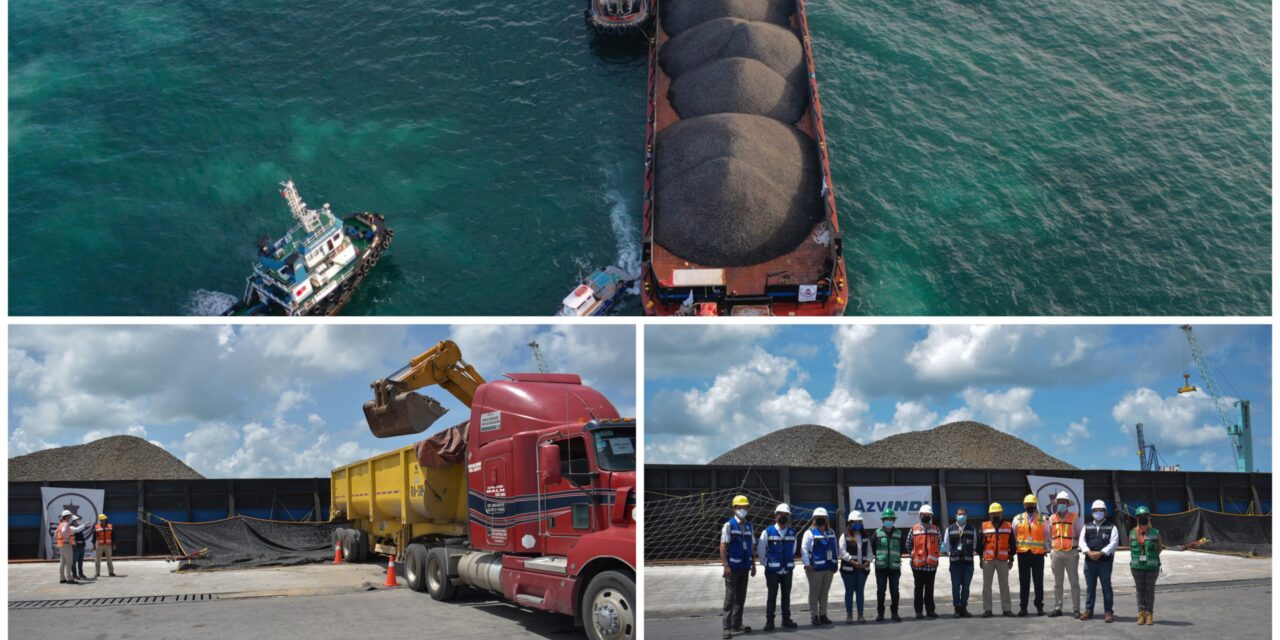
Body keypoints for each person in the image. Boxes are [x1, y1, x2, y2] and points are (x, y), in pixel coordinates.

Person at [757, 503, 798, 631]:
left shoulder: (792, 532)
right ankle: (770, 621)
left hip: (787, 570)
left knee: (786, 596)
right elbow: (761, 550)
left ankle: (786, 620)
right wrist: (766, 564)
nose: (783, 517)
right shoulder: (767, 532)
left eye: (786, 515)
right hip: (772, 571)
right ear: (776, 516)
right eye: (781, 514)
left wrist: (787, 562)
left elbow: (793, 549)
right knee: (772, 596)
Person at [720, 495, 756, 638]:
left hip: (745, 567)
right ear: (734, 508)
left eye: (745, 507)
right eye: (740, 507)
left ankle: (737, 623)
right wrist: (725, 565)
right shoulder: (729, 525)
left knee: (741, 597)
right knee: (730, 597)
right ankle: (726, 627)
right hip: (732, 568)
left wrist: (753, 564)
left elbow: (752, 545)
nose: (742, 510)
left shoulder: (749, 526)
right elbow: (723, 546)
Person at [1079, 499, 1119, 623]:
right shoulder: (1087, 526)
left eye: (1100, 510)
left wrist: (1101, 553)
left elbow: (1114, 543)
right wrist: (1088, 552)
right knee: (1090, 588)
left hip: (1105, 563)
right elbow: (1081, 541)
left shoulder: (1112, 527)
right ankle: (1089, 610)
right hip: (1089, 562)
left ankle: (1108, 612)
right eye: (1095, 511)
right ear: (1092, 512)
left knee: (1106, 588)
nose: (1098, 513)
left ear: (1105, 512)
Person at [1012, 493, 1049, 616]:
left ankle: (1039, 607)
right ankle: (1023, 607)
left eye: (1032, 504)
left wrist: (1046, 549)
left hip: (1038, 554)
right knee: (1024, 582)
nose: (1030, 506)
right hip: (1023, 554)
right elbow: (1014, 535)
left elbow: (1048, 535)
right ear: (1023, 505)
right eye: (1028, 504)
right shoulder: (1017, 518)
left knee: (1038, 582)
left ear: (1035, 505)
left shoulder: (1043, 519)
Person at [1048, 491, 1081, 618]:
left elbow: (1080, 533)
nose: (1061, 504)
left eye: (1064, 502)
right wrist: (1052, 548)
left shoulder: (1075, 517)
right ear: (1056, 504)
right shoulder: (1051, 518)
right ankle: (1058, 607)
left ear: (1068, 504)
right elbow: (1048, 535)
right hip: (1056, 553)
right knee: (1057, 583)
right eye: (1059, 501)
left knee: (1074, 582)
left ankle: (1076, 609)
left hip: (1071, 553)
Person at [801, 507, 837, 626]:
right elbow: (804, 550)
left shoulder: (831, 532)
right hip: (814, 569)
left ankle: (823, 614)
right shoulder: (809, 533)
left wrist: (835, 563)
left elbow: (834, 548)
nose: (821, 520)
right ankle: (814, 616)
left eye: (823, 518)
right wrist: (807, 564)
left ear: (827, 519)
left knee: (824, 592)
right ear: (814, 519)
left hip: (828, 568)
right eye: (818, 518)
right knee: (814, 592)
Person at [980, 502, 1015, 618]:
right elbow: (980, 545)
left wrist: (1011, 559)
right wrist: (981, 558)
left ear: (1001, 514)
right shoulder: (984, 526)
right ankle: (987, 609)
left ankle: (1006, 609)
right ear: (989, 515)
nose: (995, 515)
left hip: (1003, 560)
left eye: (997, 513)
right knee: (987, 586)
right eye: (993, 513)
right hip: (988, 560)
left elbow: (1012, 544)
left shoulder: (1008, 526)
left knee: (1004, 585)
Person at [943, 507, 979, 618]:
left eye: (963, 514)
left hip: (968, 563)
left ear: (967, 516)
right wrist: (952, 554)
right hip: (955, 564)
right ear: (955, 516)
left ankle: (964, 608)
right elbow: (946, 544)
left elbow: (974, 544)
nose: (961, 516)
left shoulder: (971, 529)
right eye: (959, 514)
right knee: (955, 586)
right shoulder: (949, 529)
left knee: (966, 586)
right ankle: (957, 608)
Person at [871, 508, 905, 622]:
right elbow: (872, 548)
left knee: (895, 591)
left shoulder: (899, 533)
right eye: (887, 519)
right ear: (883, 520)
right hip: (880, 567)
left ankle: (894, 613)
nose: (889, 521)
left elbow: (902, 549)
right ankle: (880, 614)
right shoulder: (876, 533)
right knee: (881, 591)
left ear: (894, 520)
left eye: (891, 519)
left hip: (894, 568)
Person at [837, 510, 872, 624]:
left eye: (859, 522)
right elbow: (842, 551)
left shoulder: (865, 535)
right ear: (850, 523)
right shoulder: (844, 536)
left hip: (862, 569)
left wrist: (867, 561)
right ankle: (849, 615)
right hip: (849, 569)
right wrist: (852, 561)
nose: (858, 524)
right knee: (849, 591)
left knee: (860, 591)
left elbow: (869, 551)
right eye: (855, 522)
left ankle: (860, 615)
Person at [907, 504, 940, 619]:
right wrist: (914, 555)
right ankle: (919, 611)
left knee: (930, 589)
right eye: (924, 514)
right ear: (920, 515)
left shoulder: (936, 529)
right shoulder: (914, 529)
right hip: (918, 566)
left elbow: (939, 544)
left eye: (928, 515)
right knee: (918, 589)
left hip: (931, 566)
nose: (926, 516)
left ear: (931, 516)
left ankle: (930, 611)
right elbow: (908, 544)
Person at [1129, 506, 1161, 626]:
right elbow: (1131, 548)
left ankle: (1149, 614)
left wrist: (1150, 557)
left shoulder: (1155, 532)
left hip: (1151, 568)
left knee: (1149, 591)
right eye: (1140, 517)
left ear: (1149, 517)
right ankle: (1141, 613)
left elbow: (1159, 549)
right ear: (1137, 518)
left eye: (1145, 516)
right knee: (1139, 591)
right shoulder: (1132, 532)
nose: (1143, 518)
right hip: (1137, 567)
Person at [55, 510, 77, 584]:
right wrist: (66, 536)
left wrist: (61, 538)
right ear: (66, 516)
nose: (70, 517)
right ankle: (69, 579)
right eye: (69, 516)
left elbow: (56, 534)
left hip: (61, 544)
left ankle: (62, 578)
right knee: (69, 562)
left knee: (62, 562)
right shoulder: (66, 524)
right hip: (67, 544)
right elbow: (64, 532)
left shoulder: (60, 524)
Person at [95, 513, 117, 578]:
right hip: (99, 545)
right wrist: (93, 544)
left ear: (105, 519)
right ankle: (97, 573)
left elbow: (113, 536)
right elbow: (94, 537)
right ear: (100, 520)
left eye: (104, 519)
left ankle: (111, 572)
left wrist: (114, 544)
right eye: (101, 520)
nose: (103, 521)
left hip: (108, 545)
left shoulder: (110, 526)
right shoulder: (97, 527)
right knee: (98, 559)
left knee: (109, 559)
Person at [70, 515, 90, 580]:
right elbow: (77, 530)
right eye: (76, 520)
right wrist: (84, 525)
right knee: (74, 561)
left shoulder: (78, 526)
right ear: (73, 521)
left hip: (81, 546)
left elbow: (80, 530)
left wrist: (86, 527)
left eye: (77, 520)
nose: (77, 521)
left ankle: (81, 574)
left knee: (80, 561)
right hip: (75, 547)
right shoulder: (71, 527)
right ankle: (74, 575)